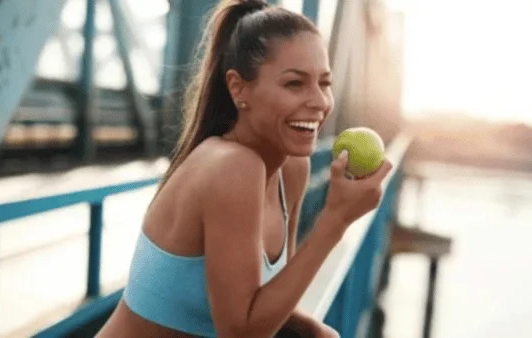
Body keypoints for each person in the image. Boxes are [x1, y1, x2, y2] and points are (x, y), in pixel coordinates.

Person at [97, 0, 392, 337]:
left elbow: (271, 300)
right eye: (295, 84)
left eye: (324, 83)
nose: (319, 102)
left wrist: (317, 332)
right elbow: (241, 333)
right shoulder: (232, 167)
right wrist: (336, 219)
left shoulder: (293, 169)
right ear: (238, 88)